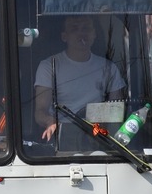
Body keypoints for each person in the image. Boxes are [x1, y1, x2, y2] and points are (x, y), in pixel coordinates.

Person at [34, 15, 126, 149]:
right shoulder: (49, 66)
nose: (81, 33)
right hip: (63, 138)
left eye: (86, 28)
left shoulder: (109, 68)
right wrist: (51, 122)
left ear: (94, 34)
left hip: (99, 137)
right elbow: (40, 111)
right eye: (74, 29)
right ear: (64, 36)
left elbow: (117, 111)